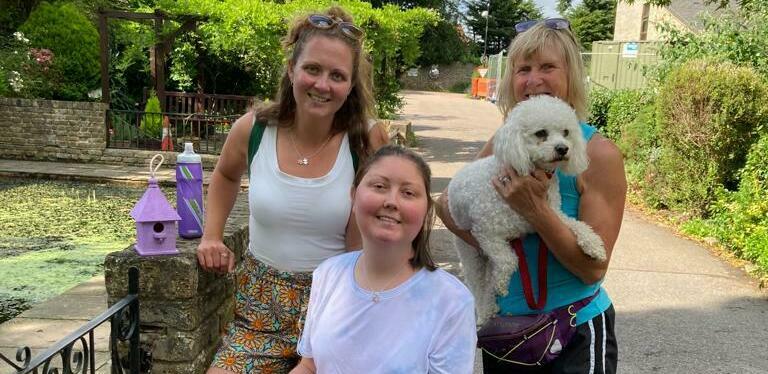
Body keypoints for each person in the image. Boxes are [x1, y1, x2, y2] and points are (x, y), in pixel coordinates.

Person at [197, 7, 389, 373]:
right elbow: (224, 175)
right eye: (312, 69)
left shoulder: (364, 139)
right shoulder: (253, 130)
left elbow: (375, 231)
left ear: (350, 86)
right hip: (257, 311)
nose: (322, 85)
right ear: (291, 69)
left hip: (335, 306)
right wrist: (211, 236)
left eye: (337, 75)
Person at [436, 18, 627, 374]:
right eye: (523, 69)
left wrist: (535, 211)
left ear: (571, 73)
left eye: (547, 67)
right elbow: (446, 207)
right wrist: (494, 238)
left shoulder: (599, 155)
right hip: (509, 333)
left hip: (575, 331)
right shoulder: (505, 142)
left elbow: (592, 268)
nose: (533, 80)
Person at [290, 145, 477, 374]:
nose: (392, 201)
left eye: (408, 193)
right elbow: (309, 366)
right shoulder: (328, 274)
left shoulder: (452, 301)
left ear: (426, 209)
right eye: (379, 186)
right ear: (353, 196)